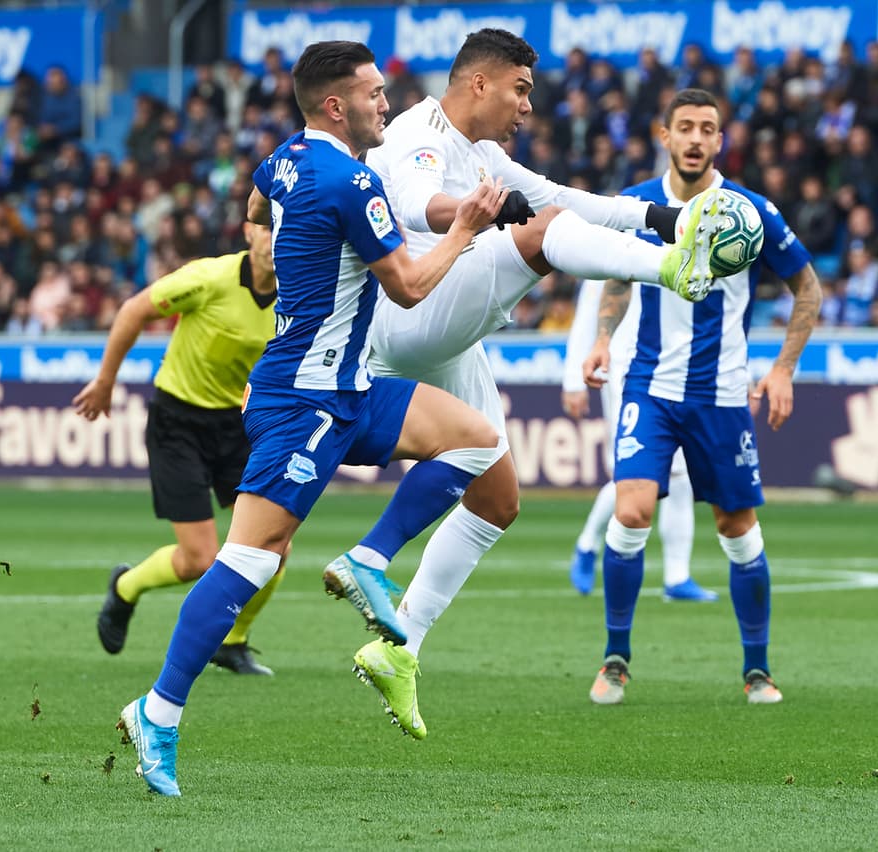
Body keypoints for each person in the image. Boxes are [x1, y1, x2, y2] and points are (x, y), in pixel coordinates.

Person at [115, 40, 509, 797]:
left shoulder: (286, 160)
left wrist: (272, 243)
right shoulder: (350, 180)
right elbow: (409, 290)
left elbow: (257, 203)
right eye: (373, 93)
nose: (385, 103)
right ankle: (157, 711)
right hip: (303, 401)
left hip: (348, 389)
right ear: (337, 105)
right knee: (250, 561)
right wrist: (466, 230)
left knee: (476, 441)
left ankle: (368, 560)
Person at [333, 28, 732, 739]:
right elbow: (427, 204)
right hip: (407, 316)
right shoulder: (417, 134)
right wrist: (493, 213)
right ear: (478, 83)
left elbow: (573, 200)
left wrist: (666, 217)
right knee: (543, 232)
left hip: (445, 332)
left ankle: (400, 651)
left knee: (498, 498)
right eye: (520, 89)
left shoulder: (486, 154)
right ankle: (671, 274)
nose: (527, 106)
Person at [582, 88, 822, 707]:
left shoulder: (749, 210)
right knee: (632, 510)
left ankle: (757, 668)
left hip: (720, 394)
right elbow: (614, 276)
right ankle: (615, 658)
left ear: (720, 141)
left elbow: (808, 288)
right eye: (684, 127)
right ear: (665, 135)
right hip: (649, 386)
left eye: (706, 128)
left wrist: (784, 369)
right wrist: (603, 340)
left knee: (735, 527)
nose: (694, 138)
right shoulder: (636, 204)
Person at [74, 221, 284, 675]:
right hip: (178, 421)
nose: (273, 237)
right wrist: (106, 381)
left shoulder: (297, 295)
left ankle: (232, 640)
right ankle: (126, 587)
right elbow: (133, 310)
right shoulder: (208, 278)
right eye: (266, 227)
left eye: (282, 227)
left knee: (276, 548)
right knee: (198, 559)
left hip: (237, 425)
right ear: (249, 233)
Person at [562, 277, 717, 602]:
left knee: (679, 474)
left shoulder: (679, 240)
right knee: (630, 475)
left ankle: (677, 577)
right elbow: (588, 312)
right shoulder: (610, 242)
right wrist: (572, 381)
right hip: (624, 368)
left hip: (674, 367)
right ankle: (588, 544)